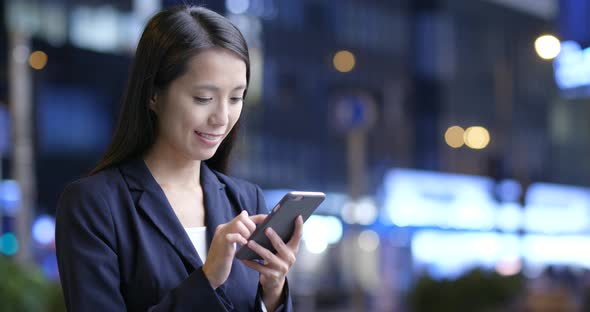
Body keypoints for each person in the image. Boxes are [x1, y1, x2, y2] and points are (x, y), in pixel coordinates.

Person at [55, 5, 302, 312]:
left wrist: (274, 290)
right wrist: (207, 278)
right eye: (203, 98)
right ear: (153, 95)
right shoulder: (95, 204)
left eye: (236, 97)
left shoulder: (245, 199)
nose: (222, 118)